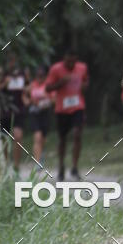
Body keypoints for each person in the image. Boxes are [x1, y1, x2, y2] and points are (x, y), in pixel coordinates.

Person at [45, 52, 89, 181]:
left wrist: (84, 86)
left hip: (78, 107)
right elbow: (48, 88)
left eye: (73, 62)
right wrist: (61, 82)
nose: (70, 65)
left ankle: (74, 167)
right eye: (68, 62)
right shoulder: (56, 69)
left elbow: (86, 82)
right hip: (62, 109)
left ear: (76, 60)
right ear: (64, 59)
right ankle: (61, 166)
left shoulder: (82, 67)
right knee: (62, 139)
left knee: (77, 134)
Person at [0, 57, 26, 171]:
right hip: (5, 112)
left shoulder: (23, 74)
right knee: (4, 139)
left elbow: (29, 86)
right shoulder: (2, 74)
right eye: (10, 60)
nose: (12, 63)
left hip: (18, 111)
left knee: (18, 136)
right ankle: (4, 165)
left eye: (14, 60)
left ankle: (16, 166)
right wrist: (5, 83)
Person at [26, 66, 53, 165]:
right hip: (34, 113)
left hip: (45, 114)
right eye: (38, 76)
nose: (40, 78)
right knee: (37, 137)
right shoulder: (32, 85)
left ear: (45, 76)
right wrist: (28, 101)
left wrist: (45, 103)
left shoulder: (48, 86)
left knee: (43, 139)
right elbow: (24, 95)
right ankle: (37, 163)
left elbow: (53, 99)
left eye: (42, 76)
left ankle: (40, 154)